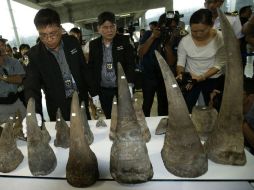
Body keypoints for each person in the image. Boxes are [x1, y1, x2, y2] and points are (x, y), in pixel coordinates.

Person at [23, 8, 91, 121]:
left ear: (60, 29)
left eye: (52, 34)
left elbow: (84, 69)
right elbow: (31, 87)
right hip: (57, 107)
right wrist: (34, 113)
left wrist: (92, 92)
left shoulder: (72, 42)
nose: (49, 39)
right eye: (43, 35)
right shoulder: (33, 56)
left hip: (80, 99)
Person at [87, 11, 135, 119]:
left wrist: (130, 85)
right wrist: (93, 92)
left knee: (126, 116)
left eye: (112, 26)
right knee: (110, 117)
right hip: (103, 90)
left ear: (116, 26)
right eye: (105, 27)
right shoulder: (93, 45)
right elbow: (91, 69)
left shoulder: (124, 41)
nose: (109, 30)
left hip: (121, 88)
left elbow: (130, 64)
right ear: (99, 28)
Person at [176, 8, 226, 113]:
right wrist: (182, 75)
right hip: (192, 77)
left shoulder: (221, 39)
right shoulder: (185, 41)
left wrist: (201, 77)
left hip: (213, 78)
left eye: (202, 30)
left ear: (211, 25)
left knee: (214, 107)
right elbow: (180, 63)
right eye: (194, 31)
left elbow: (219, 65)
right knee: (187, 106)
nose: (198, 34)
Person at [138, 12, 179, 117]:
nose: (169, 29)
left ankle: (163, 125)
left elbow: (171, 62)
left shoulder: (176, 38)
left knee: (164, 105)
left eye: (173, 27)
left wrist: (168, 44)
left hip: (164, 77)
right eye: (166, 26)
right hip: (148, 75)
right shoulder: (148, 34)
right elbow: (140, 53)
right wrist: (152, 37)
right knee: (147, 103)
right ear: (159, 26)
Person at [0, 35, 26, 124]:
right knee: (6, 133)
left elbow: (19, 79)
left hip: (16, 101)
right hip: (1, 105)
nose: (2, 48)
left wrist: (3, 77)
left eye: (3, 45)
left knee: (27, 126)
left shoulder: (13, 61)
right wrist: (10, 78)